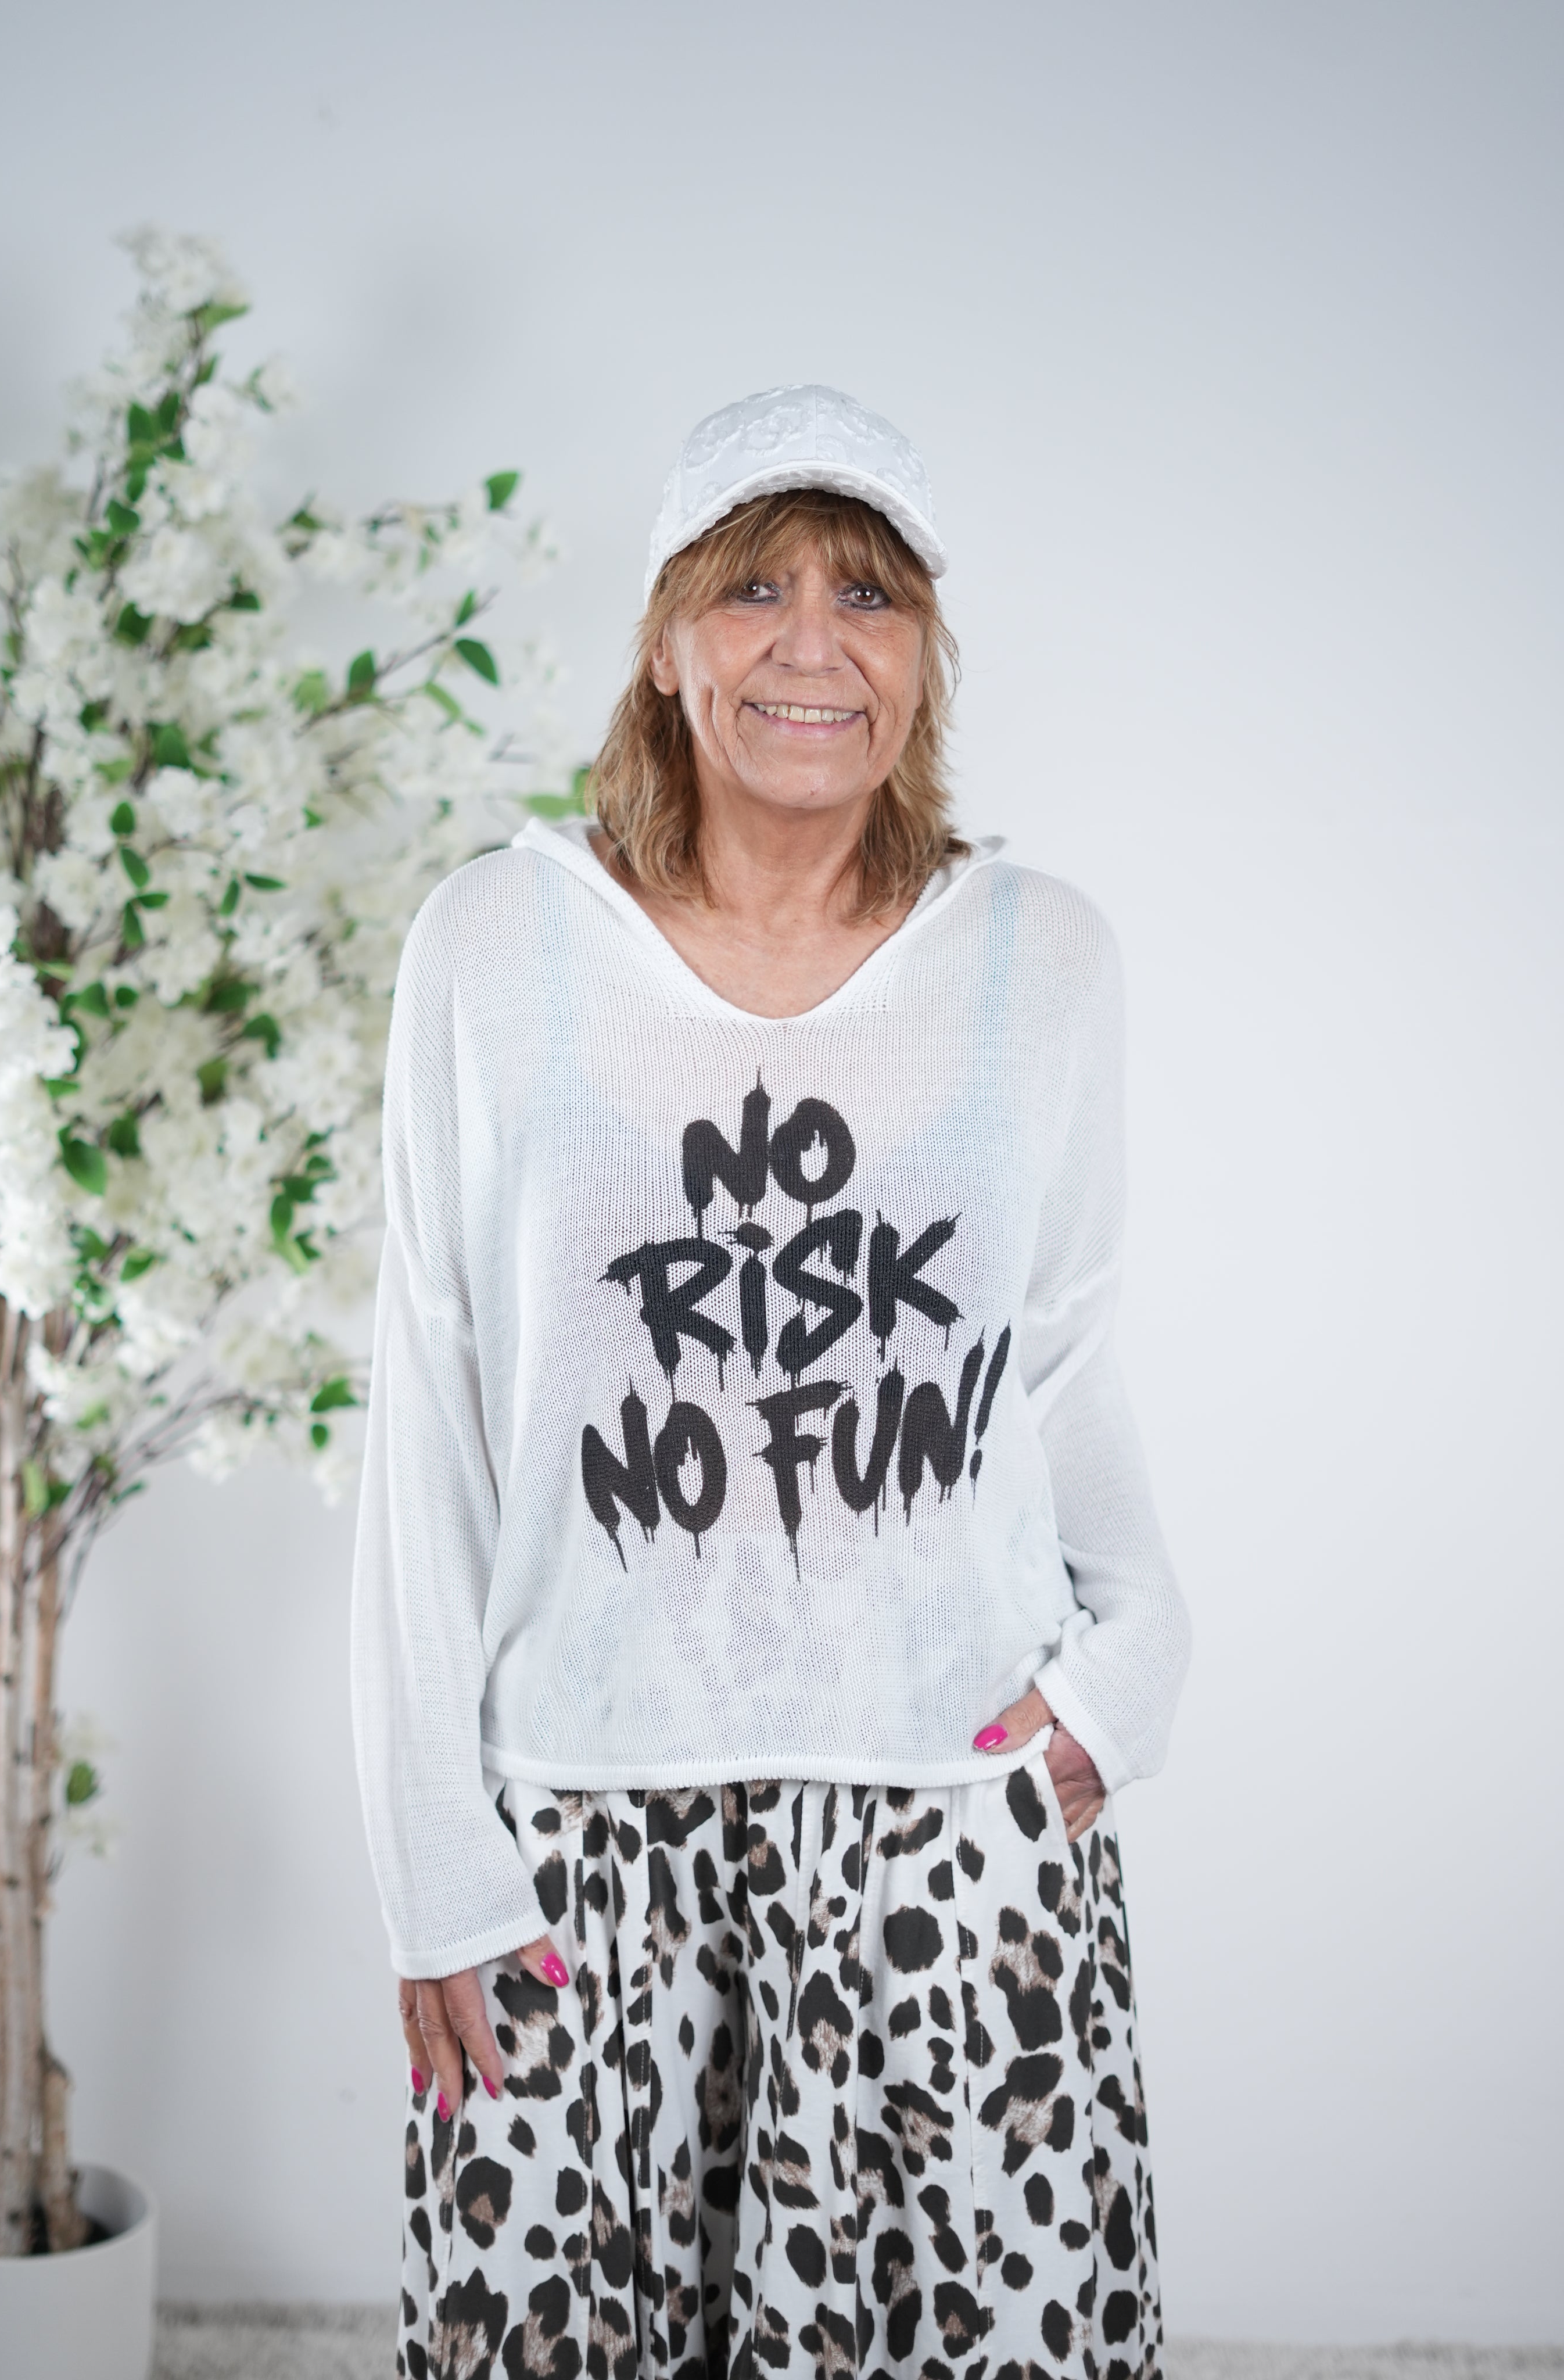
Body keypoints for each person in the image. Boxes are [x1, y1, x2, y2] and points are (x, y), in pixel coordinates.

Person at [351, 384, 1190, 2379]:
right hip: (583, 1838)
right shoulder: (498, 949)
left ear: (925, 656)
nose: (813, 641)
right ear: (665, 642)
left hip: (949, 1822)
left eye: (868, 595)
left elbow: (1060, 1350)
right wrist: (433, 1857)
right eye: (752, 589)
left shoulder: (1041, 961)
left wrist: (1136, 1661)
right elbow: (429, 1406)